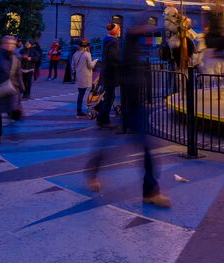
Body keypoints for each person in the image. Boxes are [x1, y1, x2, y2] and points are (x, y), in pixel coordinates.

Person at [87, 21, 170, 208]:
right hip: (132, 107)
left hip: (134, 106)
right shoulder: (124, 47)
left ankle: (94, 172)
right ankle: (150, 192)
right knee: (127, 150)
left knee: (120, 148)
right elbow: (120, 65)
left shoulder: (127, 47)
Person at [0, 36, 23, 144]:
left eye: (12, 44)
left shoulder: (16, 57)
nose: (10, 46)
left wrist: (21, 87)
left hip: (11, 89)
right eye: (8, 44)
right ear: (2, 45)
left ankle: (13, 135)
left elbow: (18, 74)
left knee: (13, 112)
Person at [96, 24, 121, 128]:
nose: (120, 30)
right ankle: (102, 119)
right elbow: (113, 58)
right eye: (119, 29)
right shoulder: (114, 41)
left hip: (106, 73)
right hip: (111, 74)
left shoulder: (106, 40)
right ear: (115, 31)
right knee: (110, 97)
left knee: (109, 96)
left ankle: (104, 119)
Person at [72, 40, 96, 117]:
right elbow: (90, 66)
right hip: (85, 76)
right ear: (85, 47)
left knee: (80, 94)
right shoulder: (87, 54)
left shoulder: (75, 54)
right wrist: (95, 61)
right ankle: (85, 110)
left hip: (78, 76)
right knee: (88, 92)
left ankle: (79, 111)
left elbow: (72, 66)